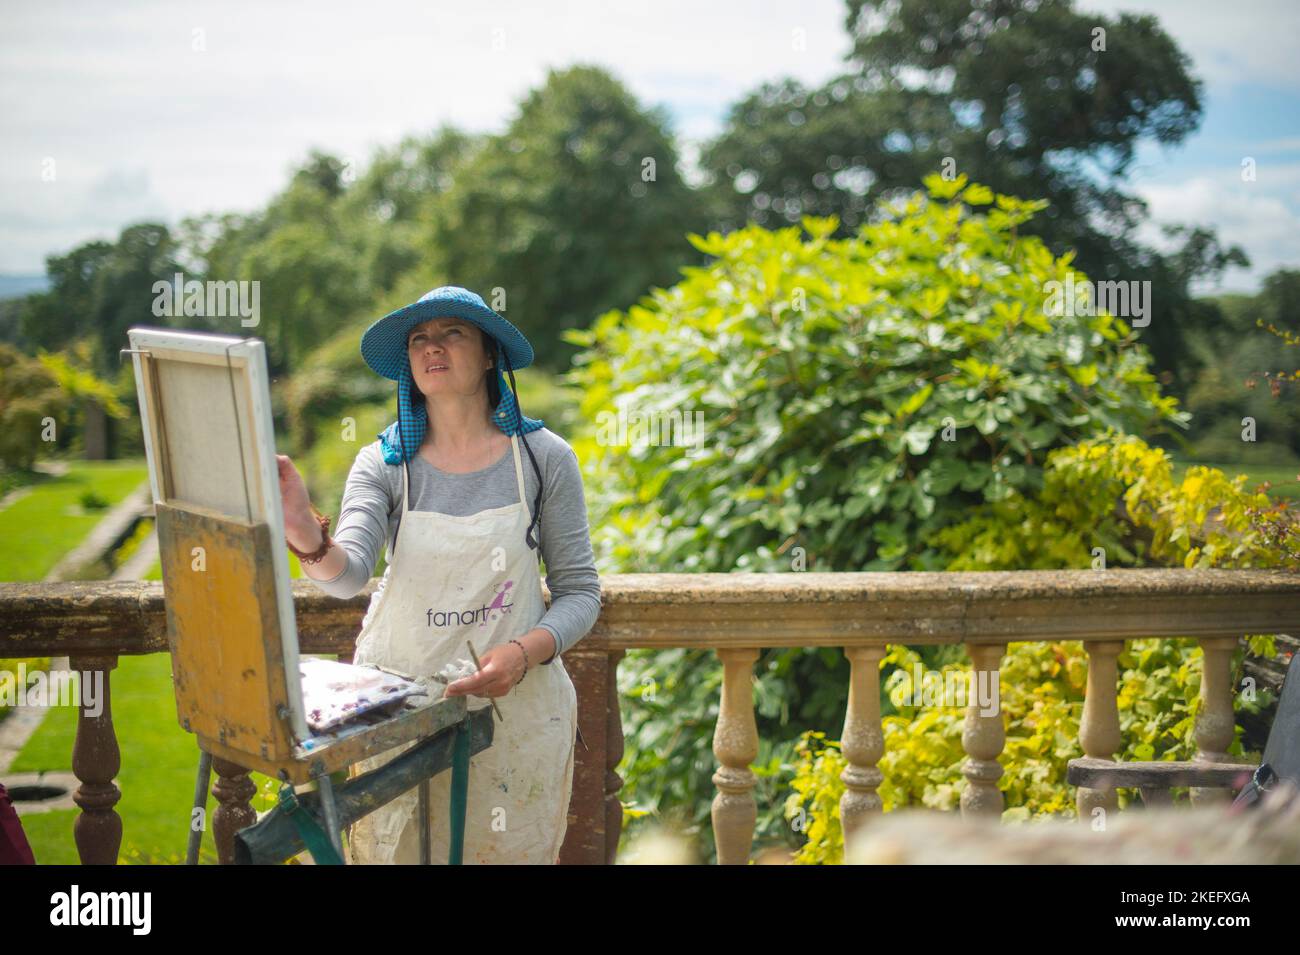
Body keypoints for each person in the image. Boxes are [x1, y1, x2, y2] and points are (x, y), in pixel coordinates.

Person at [276, 285, 601, 864]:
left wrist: (522, 655)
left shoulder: (543, 458)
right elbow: (346, 575)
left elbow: (580, 594)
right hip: (400, 718)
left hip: (516, 715)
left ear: (489, 355)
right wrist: (305, 532)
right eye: (420, 338)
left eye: (454, 332)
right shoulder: (383, 464)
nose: (433, 346)